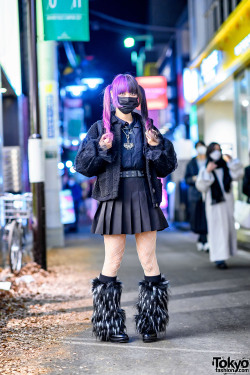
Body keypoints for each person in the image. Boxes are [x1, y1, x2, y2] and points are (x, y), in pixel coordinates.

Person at [74, 74, 177, 343]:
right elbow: (83, 166)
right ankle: (109, 326)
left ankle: (151, 324)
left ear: (139, 97)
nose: (128, 98)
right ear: (113, 95)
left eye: (133, 94)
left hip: (144, 194)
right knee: (113, 260)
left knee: (149, 260)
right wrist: (100, 148)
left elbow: (167, 166)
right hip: (114, 197)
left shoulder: (149, 127)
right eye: (123, 93)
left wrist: (156, 146)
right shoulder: (100, 129)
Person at [195, 143, 243, 269]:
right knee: (216, 230)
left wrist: (232, 161)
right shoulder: (206, 168)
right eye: (214, 150)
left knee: (227, 228)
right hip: (214, 205)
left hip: (227, 203)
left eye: (218, 150)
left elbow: (238, 175)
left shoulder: (225, 166)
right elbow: (201, 186)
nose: (216, 152)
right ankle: (218, 258)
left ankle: (226, 254)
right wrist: (208, 171)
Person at [185, 141, 208, 251]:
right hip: (195, 194)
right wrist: (194, 179)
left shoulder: (209, 161)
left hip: (208, 193)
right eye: (198, 147)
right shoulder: (192, 163)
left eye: (202, 147)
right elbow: (186, 179)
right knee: (198, 217)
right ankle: (201, 239)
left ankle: (205, 239)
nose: (201, 149)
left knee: (207, 216)